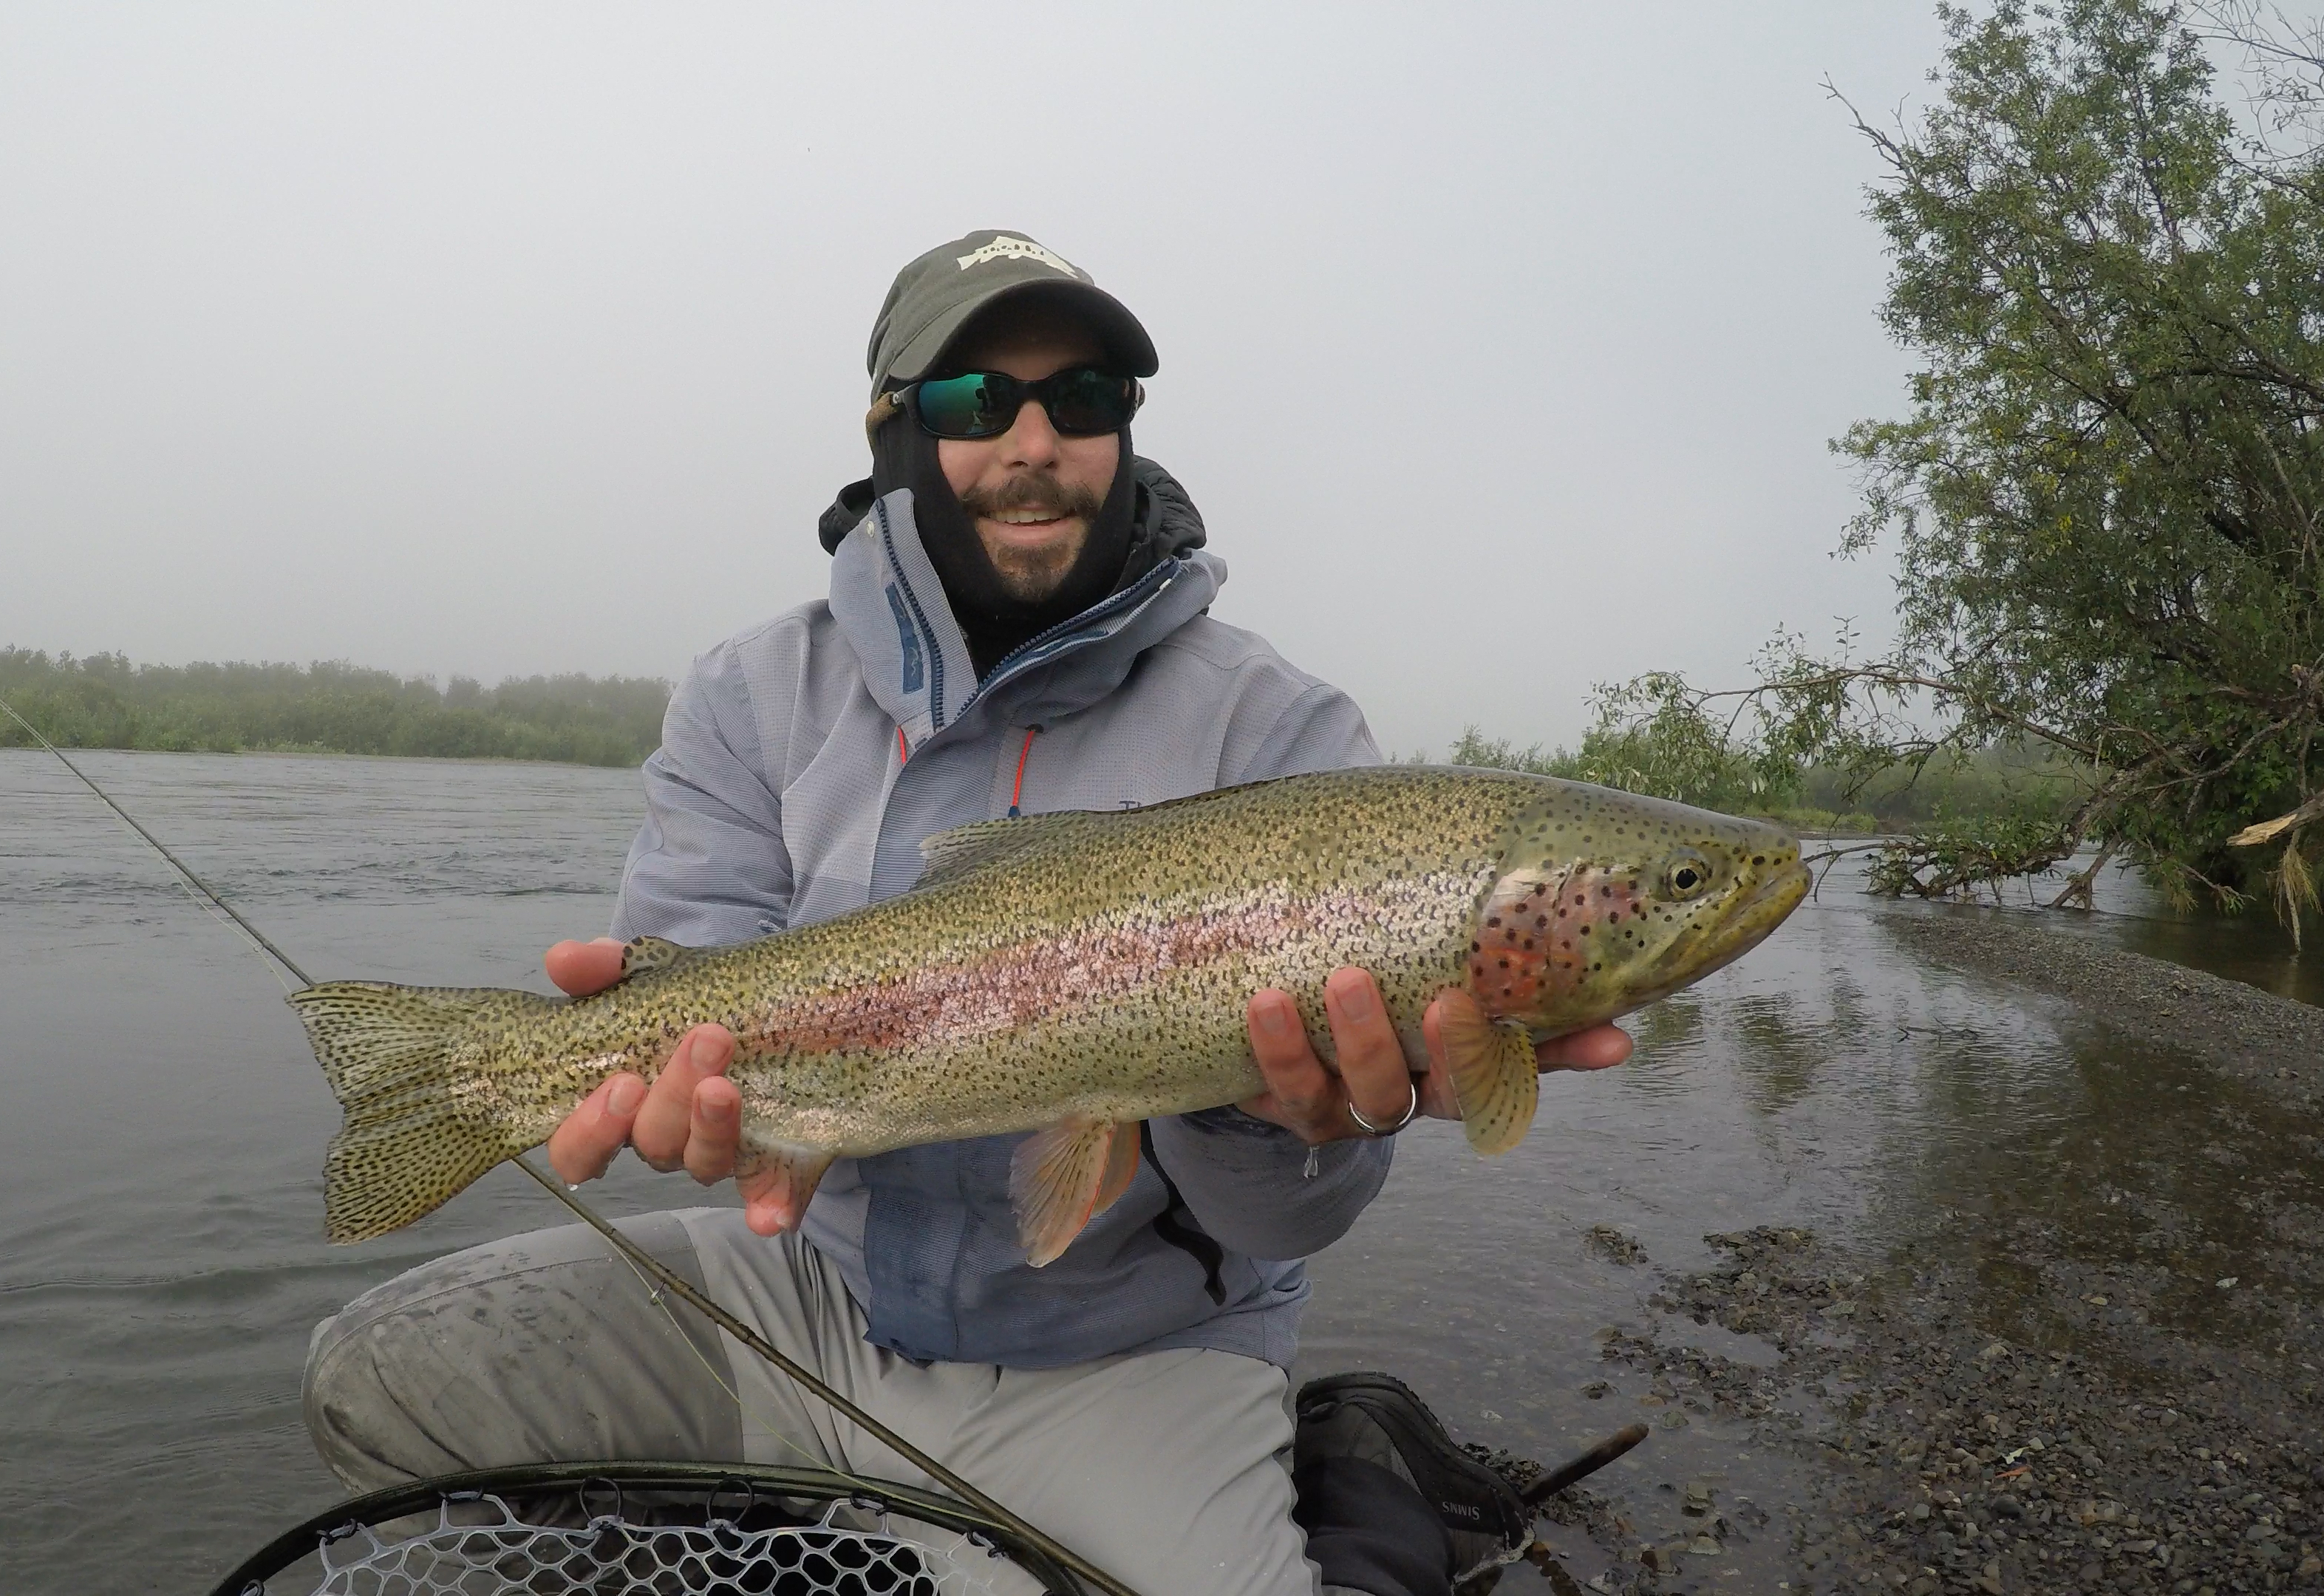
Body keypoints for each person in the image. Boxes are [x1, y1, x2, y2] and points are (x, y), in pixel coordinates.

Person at [301, 230, 1633, 1595]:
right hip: (810, 1290)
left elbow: (1297, 1222)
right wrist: (686, 1096)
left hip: (1131, 1353)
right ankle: (857, 1527)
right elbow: (701, 989)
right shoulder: (749, 692)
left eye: (1085, 399)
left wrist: (1279, 1116)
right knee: (379, 1377)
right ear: (893, 431)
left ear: (1124, 430)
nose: (1034, 442)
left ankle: (1339, 1478)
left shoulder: (1280, 728)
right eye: (973, 403)